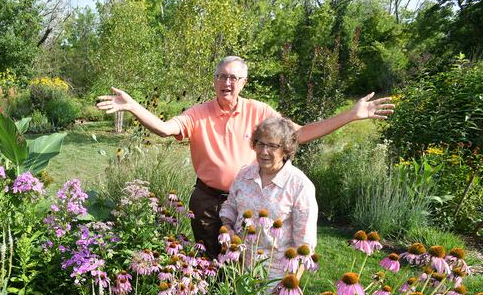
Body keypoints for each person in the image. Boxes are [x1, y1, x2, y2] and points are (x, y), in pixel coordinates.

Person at [96, 56, 394, 258]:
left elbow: (298, 134)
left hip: (251, 198)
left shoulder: (260, 112)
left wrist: (350, 116)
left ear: (243, 83)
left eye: (234, 78)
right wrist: (134, 107)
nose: (227, 83)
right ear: (214, 80)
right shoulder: (198, 114)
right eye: (222, 77)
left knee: (247, 259)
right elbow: (164, 128)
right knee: (210, 259)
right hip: (209, 200)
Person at [219, 117, 315, 277]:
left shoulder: (299, 186)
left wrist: (289, 285)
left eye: (272, 146)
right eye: (260, 144)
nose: (264, 151)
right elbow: (230, 207)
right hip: (239, 269)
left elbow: (305, 243)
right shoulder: (244, 175)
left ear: (286, 149)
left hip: (275, 275)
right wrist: (227, 228)